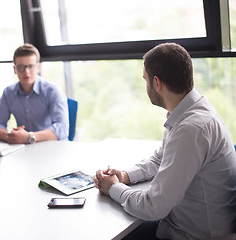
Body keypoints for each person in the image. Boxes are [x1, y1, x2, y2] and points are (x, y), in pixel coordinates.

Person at [94, 43, 236, 240]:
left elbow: (154, 207)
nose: (146, 87)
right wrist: (125, 176)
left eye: (145, 80)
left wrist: (112, 188)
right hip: (181, 225)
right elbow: (160, 159)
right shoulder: (189, 111)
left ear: (157, 82)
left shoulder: (190, 129)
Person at [0, 43, 69, 144]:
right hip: (24, 148)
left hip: (51, 146)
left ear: (38, 67)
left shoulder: (52, 91)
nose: (26, 72)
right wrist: (10, 136)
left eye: (30, 66)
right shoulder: (8, 92)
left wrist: (29, 137)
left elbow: (62, 129)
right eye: (21, 67)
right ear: (15, 70)